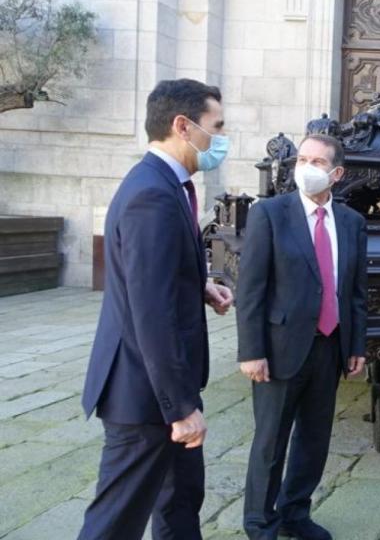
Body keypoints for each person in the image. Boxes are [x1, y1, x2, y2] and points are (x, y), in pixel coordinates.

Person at [79, 79, 234, 540]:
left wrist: (200, 284)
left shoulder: (166, 185)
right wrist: (180, 408)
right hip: (146, 396)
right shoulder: (153, 195)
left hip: (164, 388)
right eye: (216, 127)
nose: (221, 140)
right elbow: (152, 314)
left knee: (181, 503)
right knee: (116, 522)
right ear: (182, 126)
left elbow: (154, 278)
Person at [236, 134, 369, 540]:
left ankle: (296, 513)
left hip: (329, 347)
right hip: (279, 349)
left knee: (314, 438)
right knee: (271, 441)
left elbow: (357, 292)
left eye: (317, 161)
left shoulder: (351, 223)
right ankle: (260, 523)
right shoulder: (270, 214)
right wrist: (252, 350)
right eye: (302, 159)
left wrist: (357, 346)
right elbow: (251, 289)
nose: (306, 168)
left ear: (336, 173)